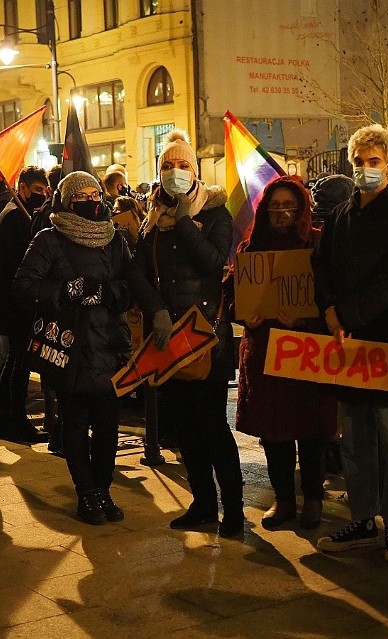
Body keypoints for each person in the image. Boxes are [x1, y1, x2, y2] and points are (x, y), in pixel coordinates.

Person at [15, 171, 169, 524]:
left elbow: (131, 280)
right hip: (69, 347)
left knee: (107, 426)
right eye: (82, 196)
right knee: (75, 422)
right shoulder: (48, 240)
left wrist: (152, 307)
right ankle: (85, 493)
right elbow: (24, 286)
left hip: (108, 346)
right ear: (68, 200)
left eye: (96, 194)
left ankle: (102, 489)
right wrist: (66, 291)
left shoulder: (114, 239)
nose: (92, 201)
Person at [312, 124, 388, 562]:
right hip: (345, 341)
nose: (364, 170)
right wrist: (330, 312)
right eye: (359, 162)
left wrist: (348, 315)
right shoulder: (342, 214)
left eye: (373, 163)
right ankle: (362, 518)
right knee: (355, 438)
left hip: (385, 340)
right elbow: (321, 268)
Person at [134, 129, 244, 537]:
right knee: (183, 428)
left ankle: (233, 509)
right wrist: (157, 310)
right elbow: (139, 273)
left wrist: (183, 222)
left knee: (213, 425)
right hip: (168, 340)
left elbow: (213, 263)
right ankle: (202, 504)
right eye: (167, 166)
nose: (175, 173)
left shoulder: (215, 212)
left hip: (206, 339)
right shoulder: (151, 216)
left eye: (182, 166)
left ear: (195, 173)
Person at [228, 176, 337, 530]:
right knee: (273, 430)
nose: (282, 212)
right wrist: (245, 313)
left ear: (302, 207)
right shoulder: (250, 248)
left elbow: (332, 296)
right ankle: (284, 498)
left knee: (312, 428)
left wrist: (307, 320)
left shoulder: (319, 245)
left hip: (306, 350)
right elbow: (233, 297)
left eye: (289, 205)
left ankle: (313, 499)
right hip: (264, 353)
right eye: (275, 206)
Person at [0, 166, 50, 443]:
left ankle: (11, 418)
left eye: (45, 190)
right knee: (17, 364)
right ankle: (12, 419)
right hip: (17, 305)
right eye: (37, 190)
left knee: (16, 363)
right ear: (23, 188)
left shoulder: (18, 214)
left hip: (13, 303)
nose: (41, 195)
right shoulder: (15, 217)